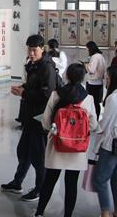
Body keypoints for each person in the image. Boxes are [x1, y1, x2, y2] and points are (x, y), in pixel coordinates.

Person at [34, 63, 99, 217]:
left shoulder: (56, 95)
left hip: (57, 145)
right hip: (77, 149)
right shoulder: (88, 98)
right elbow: (93, 125)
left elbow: (45, 122)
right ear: (83, 77)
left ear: (67, 76)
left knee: (49, 181)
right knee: (71, 185)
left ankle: (39, 213)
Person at [2, 34, 58, 202]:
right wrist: (23, 87)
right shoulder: (35, 65)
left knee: (38, 156)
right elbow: (34, 85)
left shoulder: (47, 68)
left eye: (34, 50)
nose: (31, 53)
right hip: (30, 117)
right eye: (29, 50)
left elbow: (47, 95)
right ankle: (17, 182)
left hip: (39, 119)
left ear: (42, 49)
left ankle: (40, 189)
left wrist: (24, 93)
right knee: (24, 151)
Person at [93, 66, 117, 217]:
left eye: (108, 77)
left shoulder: (113, 98)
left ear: (114, 79)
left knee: (100, 179)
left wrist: (96, 134)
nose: (106, 80)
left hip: (111, 144)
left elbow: (105, 124)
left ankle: (105, 213)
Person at [85, 41, 106, 119]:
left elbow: (91, 70)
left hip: (93, 83)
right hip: (99, 83)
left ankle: (93, 119)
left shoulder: (95, 57)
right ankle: (96, 118)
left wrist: (85, 65)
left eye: (87, 49)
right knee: (96, 103)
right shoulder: (101, 56)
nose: (87, 51)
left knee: (92, 103)